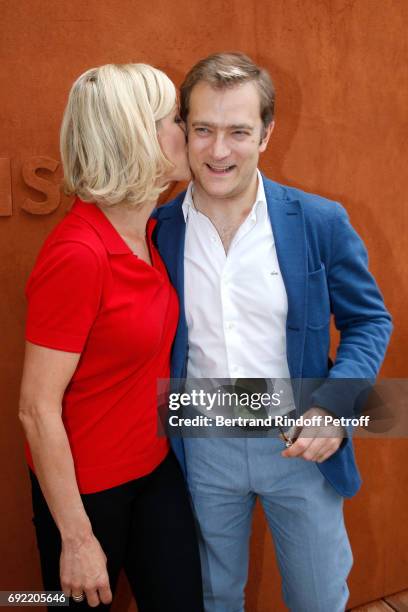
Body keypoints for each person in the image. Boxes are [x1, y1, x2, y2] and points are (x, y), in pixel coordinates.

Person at [153, 53, 393, 612]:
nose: (218, 151)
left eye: (238, 131)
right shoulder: (158, 230)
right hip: (199, 445)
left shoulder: (319, 220)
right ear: (184, 131)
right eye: (205, 130)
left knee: (318, 598)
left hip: (299, 442)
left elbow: (368, 320)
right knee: (212, 598)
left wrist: (334, 408)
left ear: (266, 134)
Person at [19, 63, 204, 611]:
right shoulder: (79, 254)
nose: (188, 127)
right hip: (87, 494)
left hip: (155, 468)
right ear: (136, 136)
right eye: (175, 118)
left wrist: (303, 408)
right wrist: (76, 540)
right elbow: (35, 408)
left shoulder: (151, 231)